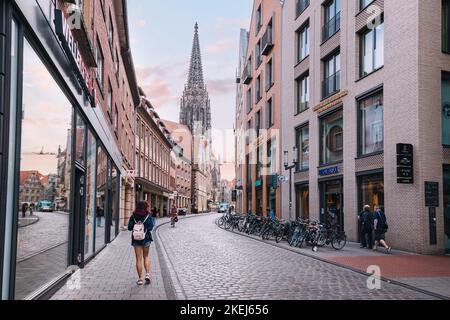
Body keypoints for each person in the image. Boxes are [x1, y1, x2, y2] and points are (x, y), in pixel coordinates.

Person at [128, 201, 154, 286]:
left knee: (138, 259)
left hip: (136, 239)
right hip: (146, 238)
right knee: (146, 256)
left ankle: (139, 279)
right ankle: (147, 274)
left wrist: (136, 225)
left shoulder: (133, 216)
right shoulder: (148, 216)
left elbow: (129, 227)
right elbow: (150, 227)